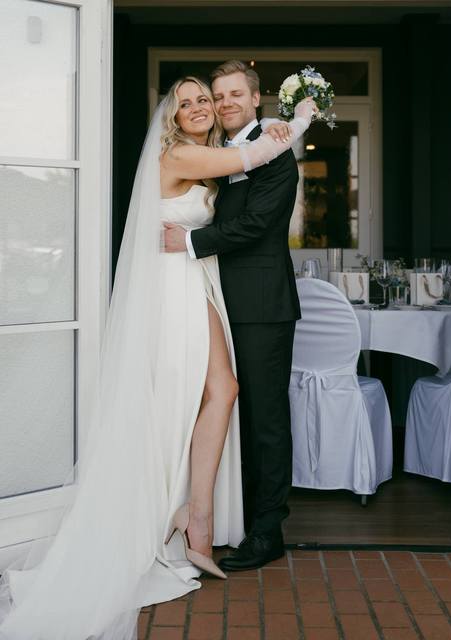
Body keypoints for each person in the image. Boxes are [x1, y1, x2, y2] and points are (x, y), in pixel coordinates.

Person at [0, 75, 314, 640]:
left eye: (207, 99)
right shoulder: (181, 154)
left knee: (220, 394)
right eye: (190, 101)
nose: (202, 106)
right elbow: (251, 156)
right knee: (197, 395)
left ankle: (199, 515)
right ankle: (187, 516)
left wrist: (273, 125)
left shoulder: (211, 157)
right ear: (173, 115)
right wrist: (298, 121)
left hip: (200, 283)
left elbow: (249, 181)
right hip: (175, 286)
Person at [164, 61, 309, 572]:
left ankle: (267, 530)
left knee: (264, 418)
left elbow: (256, 224)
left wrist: (190, 240)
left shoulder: (276, 152)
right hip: (208, 299)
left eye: (234, 95)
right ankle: (225, 517)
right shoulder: (215, 154)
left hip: (260, 304)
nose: (224, 103)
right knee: (216, 405)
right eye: (217, 95)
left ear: (255, 99)